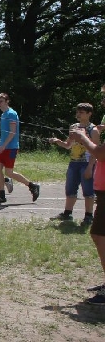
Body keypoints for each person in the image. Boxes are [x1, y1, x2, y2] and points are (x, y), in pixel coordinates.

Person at [67, 94, 105, 305]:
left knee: (99, 235)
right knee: (99, 235)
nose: (103, 101)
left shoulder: (91, 130)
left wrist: (84, 138)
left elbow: (100, 153)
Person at [50, 103, 98, 224]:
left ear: (89, 114)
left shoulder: (93, 130)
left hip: (87, 163)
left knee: (88, 191)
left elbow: (95, 151)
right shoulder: (74, 127)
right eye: (77, 112)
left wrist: (90, 167)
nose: (78, 115)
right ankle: (67, 213)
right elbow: (68, 145)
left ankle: (88, 216)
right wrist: (57, 141)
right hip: (73, 163)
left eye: (81, 112)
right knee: (70, 188)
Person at [0, 93, 40, 203]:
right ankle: (1, 194)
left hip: (11, 147)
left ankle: (32, 186)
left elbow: (12, 132)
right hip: (3, 146)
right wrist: (0, 145)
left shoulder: (11, 114)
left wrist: (4, 145)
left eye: (1, 101)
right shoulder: (3, 114)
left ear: (7, 101)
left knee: (9, 172)